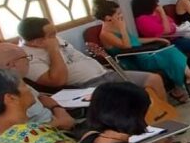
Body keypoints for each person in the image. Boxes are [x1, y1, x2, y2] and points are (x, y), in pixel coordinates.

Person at [17, 17, 169, 101]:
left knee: (154, 79)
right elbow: (58, 81)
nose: (55, 36)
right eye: (51, 35)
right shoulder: (26, 58)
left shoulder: (54, 38)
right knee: (130, 98)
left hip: (107, 74)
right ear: (36, 42)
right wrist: (53, 49)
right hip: (87, 86)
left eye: (55, 32)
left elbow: (78, 58)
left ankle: (162, 122)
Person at [94, 0, 190, 102]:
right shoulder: (105, 34)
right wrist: (122, 28)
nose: (121, 16)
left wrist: (156, 38)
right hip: (134, 59)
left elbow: (135, 40)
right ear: (108, 18)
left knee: (171, 50)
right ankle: (182, 85)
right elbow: (127, 46)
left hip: (143, 52)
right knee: (170, 53)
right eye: (118, 14)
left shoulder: (116, 24)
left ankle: (182, 85)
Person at [0, 43, 75, 131]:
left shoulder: (10, 81)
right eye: (26, 57)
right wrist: (61, 120)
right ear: (12, 64)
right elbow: (18, 135)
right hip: (55, 135)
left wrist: (57, 109)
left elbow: (41, 97)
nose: (28, 61)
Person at [131, 0, 190, 88]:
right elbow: (166, 30)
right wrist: (162, 12)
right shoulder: (142, 20)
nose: (158, 4)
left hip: (177, 34)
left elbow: (171, 23)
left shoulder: (154, 14)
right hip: (170, 41)